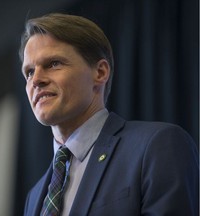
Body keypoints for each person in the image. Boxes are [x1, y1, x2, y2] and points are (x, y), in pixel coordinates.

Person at [18, 13, 199, 216]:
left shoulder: (156, 146)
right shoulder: (34, 197)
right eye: (29, 72)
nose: (36, 80)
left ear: (100, 72)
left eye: (53, 64)